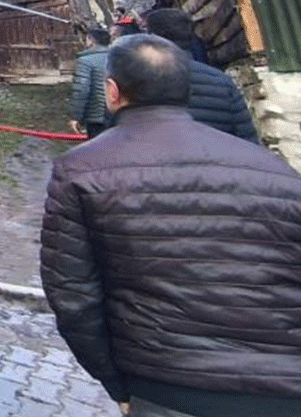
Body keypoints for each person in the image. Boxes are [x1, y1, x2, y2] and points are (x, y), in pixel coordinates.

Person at [41, 34, 301, 417]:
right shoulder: (276, 171)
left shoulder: (81, 170)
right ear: (186, 90)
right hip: (282, 390)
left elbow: (73, 295)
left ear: (112, 92)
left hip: (165, 389)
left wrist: (113, 380)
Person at [144, 8, 259, 143]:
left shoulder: (137, 83)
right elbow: (247, 140)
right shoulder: (223, 82)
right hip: (218, 160)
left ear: (154, 36)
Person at [68, 28, 111, 138]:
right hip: (118, 115)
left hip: (96, 117)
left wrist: (76, 117)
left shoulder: (85, 61)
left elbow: (81, 90)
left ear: (91, 40)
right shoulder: (119, 57)